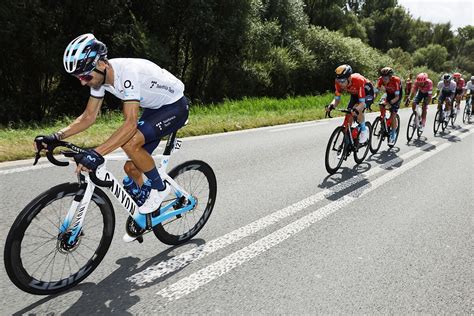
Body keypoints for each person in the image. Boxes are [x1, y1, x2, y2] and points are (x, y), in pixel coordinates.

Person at [34, 34, 189, 239]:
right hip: (155, 107)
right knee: (131, 168)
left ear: (100, 63)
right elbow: (89, 117)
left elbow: (130, 124)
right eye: (79, 78)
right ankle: (147, 213)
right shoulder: (100, 80)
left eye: (86, 76)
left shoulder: (127, 74)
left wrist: (96, 153)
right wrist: (56, 136)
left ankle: (160, 189)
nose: (83, 83)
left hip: (175, 107)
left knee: (130, 143)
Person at [327, 64, 374, 144]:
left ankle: (363, 130)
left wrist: (357, 109)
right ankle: (349, 140)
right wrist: (331, 105)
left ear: (349, 78)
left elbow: (362, 103)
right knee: (349, 114)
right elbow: (336, 100)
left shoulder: (358, 80)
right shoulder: (338, 82)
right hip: (355, 94)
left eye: (342, 81)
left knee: (356, 108)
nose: (340, 84)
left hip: (367, 93)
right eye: (339, 81)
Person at [375, 67, 402, 145]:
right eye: (383, 77)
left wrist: (390, 103)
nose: (384, 79)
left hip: (396, 96)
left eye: (386, 78)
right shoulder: (380, 80)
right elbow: (376, 91)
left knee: (393, 114)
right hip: (388, 94)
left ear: (390, 77)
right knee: (381, 104)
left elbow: (397, 97)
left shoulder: (396, 80)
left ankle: (393, 134)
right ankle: (383, 120)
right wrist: (371, 99)